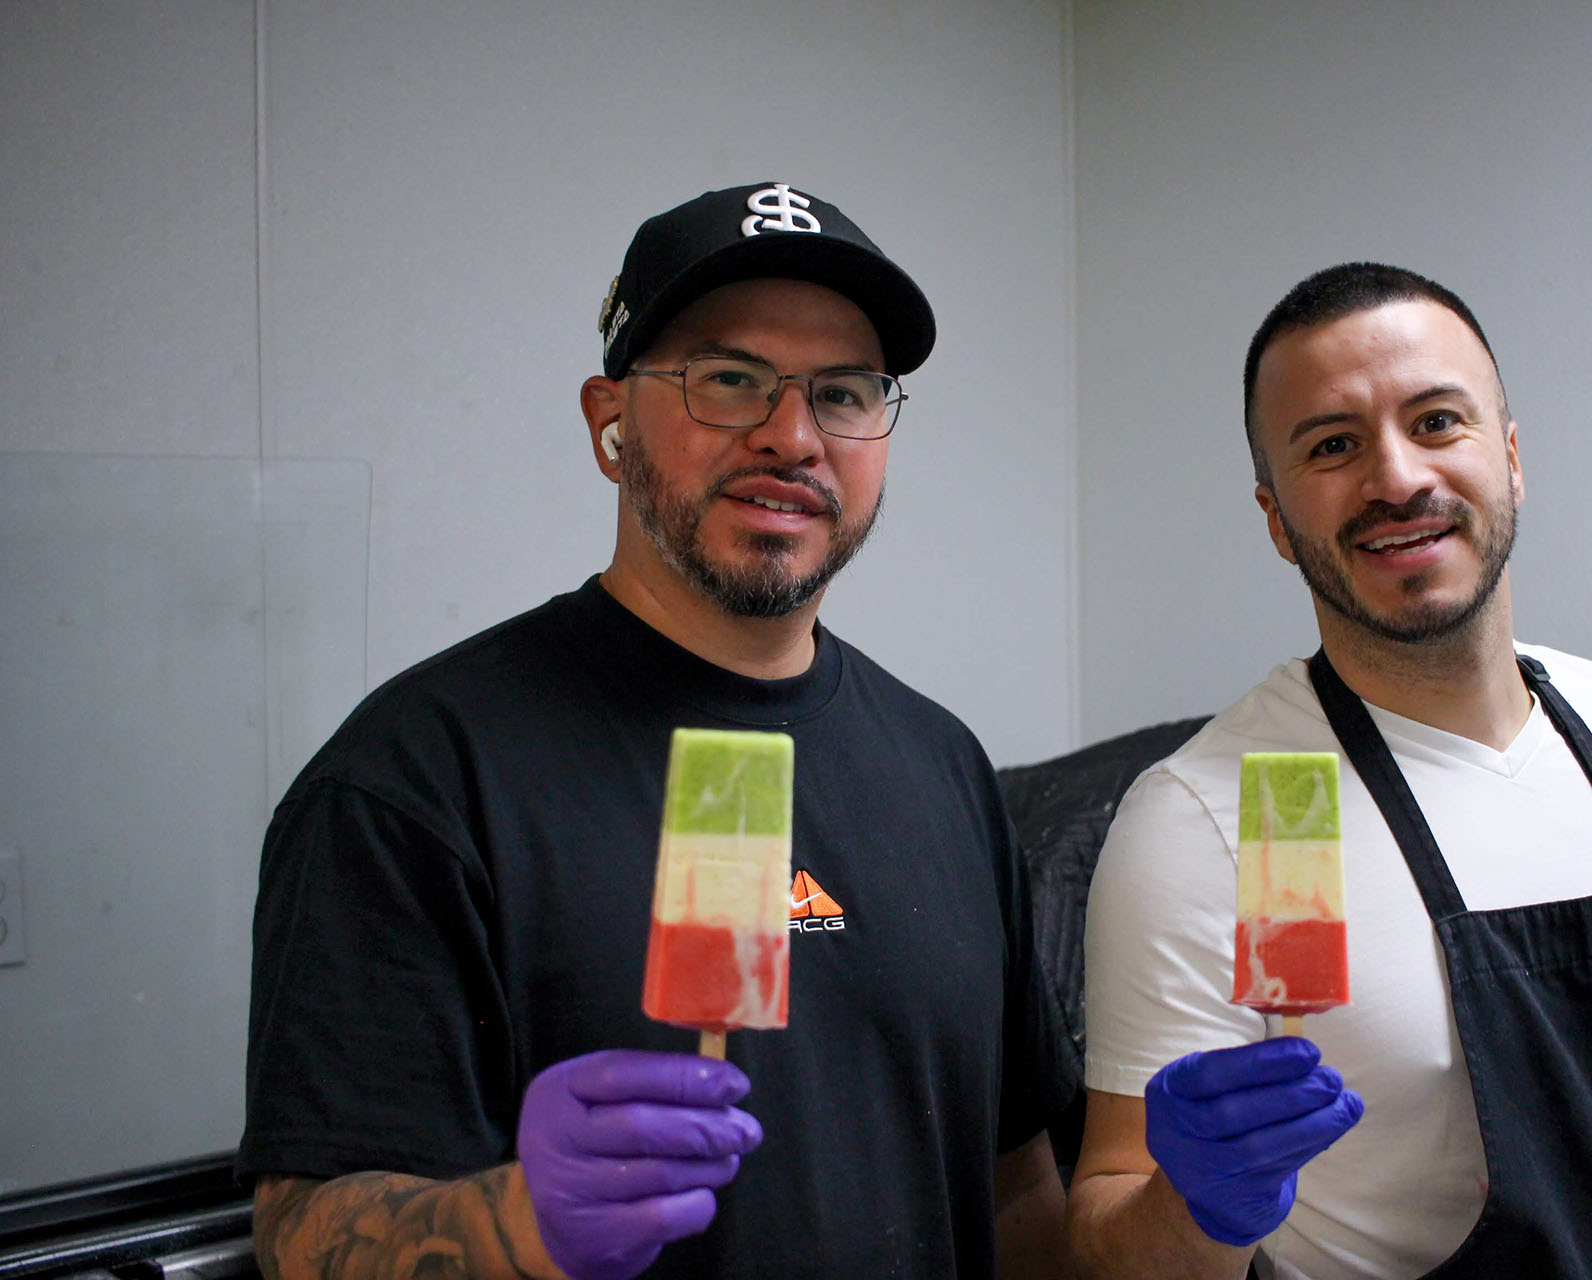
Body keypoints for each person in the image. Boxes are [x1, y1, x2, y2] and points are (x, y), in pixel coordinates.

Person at [238, 182, 1076, 1280]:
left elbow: (1015, 1184)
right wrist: (518, 1222)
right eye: (730, 379)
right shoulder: (414, 776)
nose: (792, 435)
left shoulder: (945, 765)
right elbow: (301, 1229)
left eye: (844, 391)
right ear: (609, 420)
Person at [1066, 263, 1592, 1279]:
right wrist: (1196, 1207)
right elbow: (1107, 1230)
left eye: (1437, 421)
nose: (1397, 477)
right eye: (1332, 445)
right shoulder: (1220, 815)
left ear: (1508, 455)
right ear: (1276, 518)